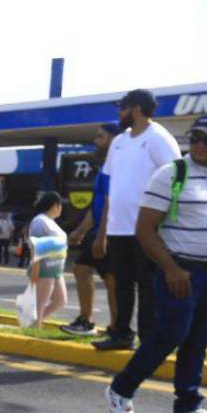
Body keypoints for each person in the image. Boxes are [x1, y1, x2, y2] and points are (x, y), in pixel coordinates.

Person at [105, 112, 207, 413]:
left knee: (197, 340)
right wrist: (171, 269)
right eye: (194, 138)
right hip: (182, 273)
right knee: (170, 334)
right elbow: (145, 229)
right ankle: (121, 389)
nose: (199, 145)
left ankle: (188, 407)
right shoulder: (171, 174)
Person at [92, 89, 181, 350]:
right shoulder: (119, 142)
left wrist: (166, 225)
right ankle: (121, 334)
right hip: (118, 228)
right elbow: (112, 190)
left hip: (147, 230)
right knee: (122, 284)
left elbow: (176, 183)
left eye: (123, 107)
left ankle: (149, 338)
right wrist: (102, 232)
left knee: (148, 286)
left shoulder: (159, 138)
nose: (119, 113)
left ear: (137, 109)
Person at [63, 123, 123, 336]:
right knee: (83, 269)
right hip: (98, 232)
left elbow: (113, 203)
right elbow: (96, 206)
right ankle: (87, 320)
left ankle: (117, 326)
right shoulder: (103, 168)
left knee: (111, 279)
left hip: (110, 233)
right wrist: (80, 231)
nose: (95, 141)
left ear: (115, 140)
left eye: (100, 137)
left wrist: (102, 236)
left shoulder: (120, 166)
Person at [27, 191, 69, 328]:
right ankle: (35, 327)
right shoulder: (40, 221)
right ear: (55, 205)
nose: (62, 209)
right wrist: (36, 270)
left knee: (60, 300)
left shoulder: (50, 222)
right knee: (41, 302)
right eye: (61, 205)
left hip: (55, 268)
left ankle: (34, 324)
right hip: (45, 268)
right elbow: (35, 245)